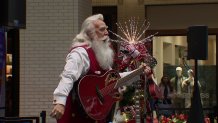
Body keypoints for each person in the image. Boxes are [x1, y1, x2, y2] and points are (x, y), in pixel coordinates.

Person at [50, 14, 151, 123]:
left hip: (96, 115)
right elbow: (67, 76)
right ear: (90, 33)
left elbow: (114, 78)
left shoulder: (100, 54)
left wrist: (139, 72)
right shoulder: (80, 53)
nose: (107, 33)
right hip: (77, 115)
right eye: (102, 30)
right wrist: (60, 102)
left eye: (106, 29)